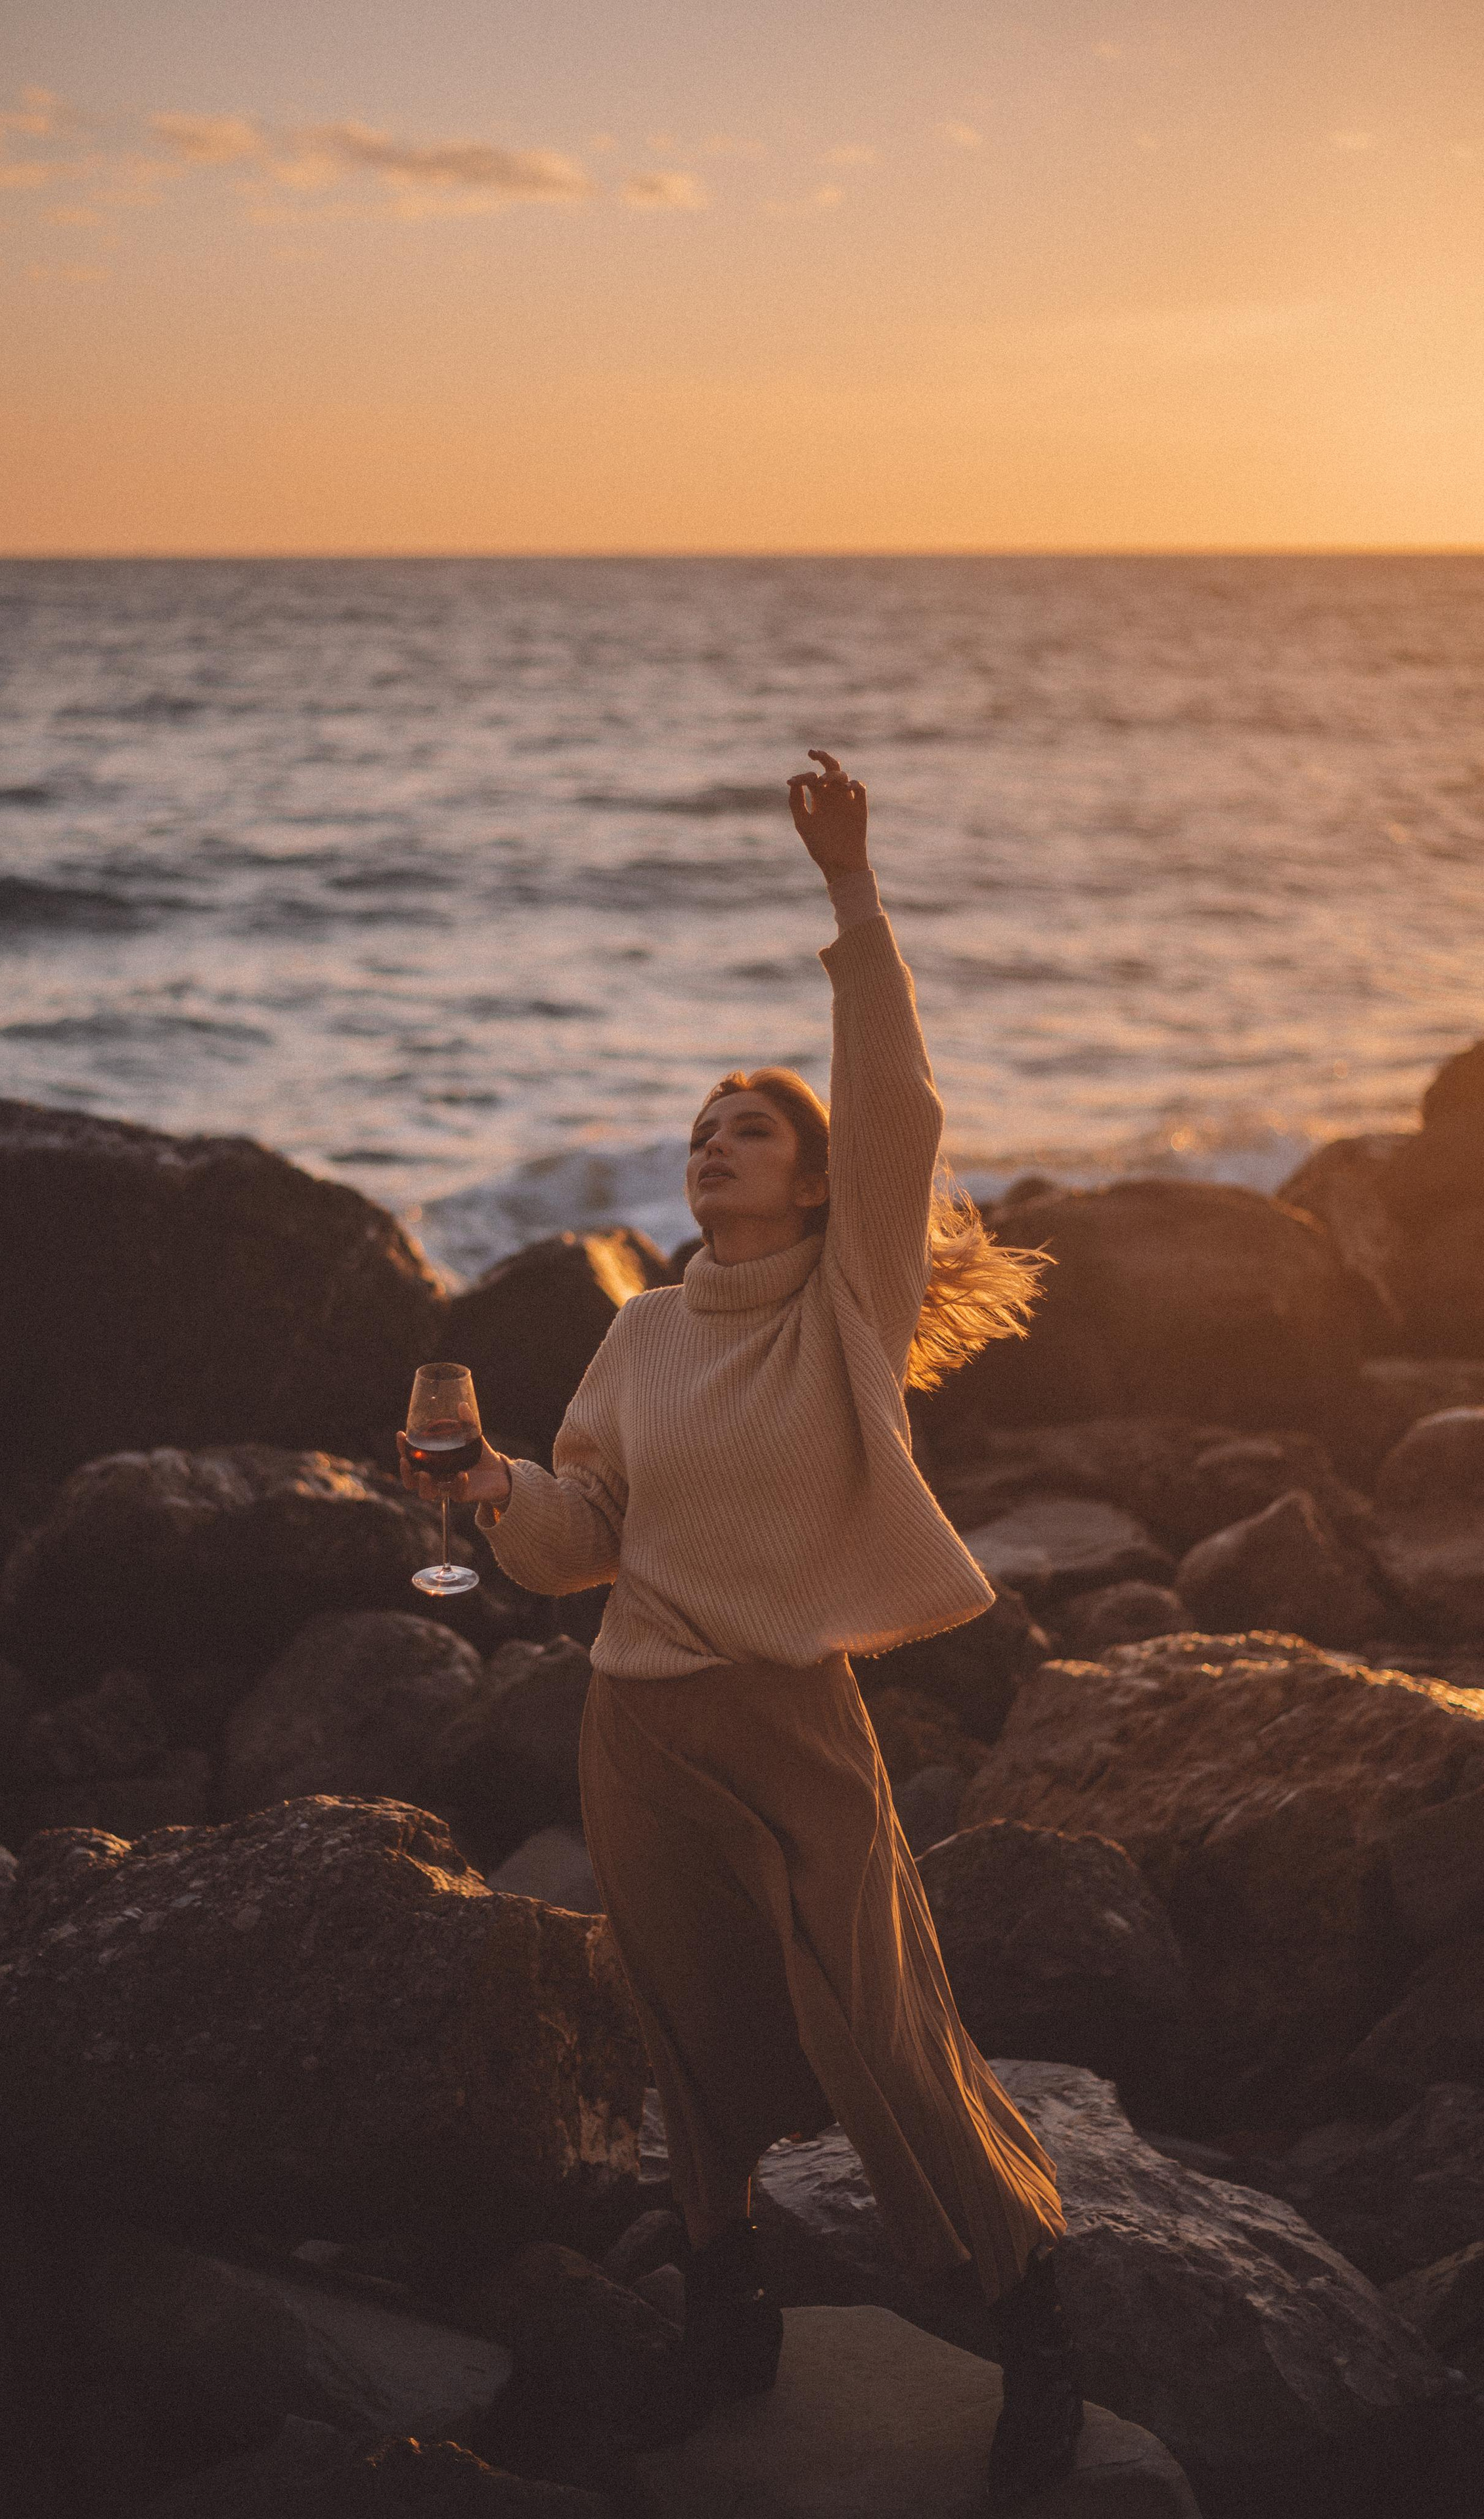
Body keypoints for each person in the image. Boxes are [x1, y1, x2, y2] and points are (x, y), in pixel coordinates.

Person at [399, 753, 1083, 2501]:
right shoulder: (642, 1335)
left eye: (752, 1123)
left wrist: (850, 895)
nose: (716, 1139)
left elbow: (900, 1101)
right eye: (702, 1122)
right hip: (635, 1727)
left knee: (880, 2027)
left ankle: (1036, 2315)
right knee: (688, 2042)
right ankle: (728, 2312)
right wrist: (487, 1491)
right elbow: (580, 1546)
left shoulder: (844, 1306)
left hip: (789, 1717)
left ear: (811, 1179)